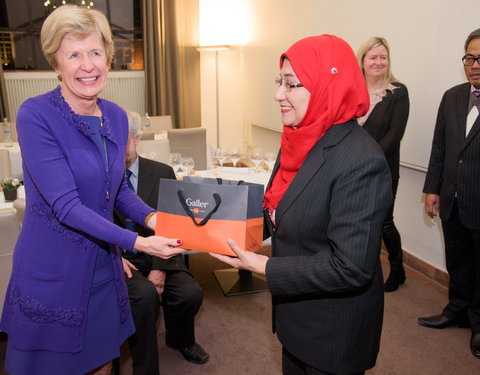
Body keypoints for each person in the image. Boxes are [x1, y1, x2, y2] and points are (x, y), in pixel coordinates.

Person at [0, 6, 185, 375]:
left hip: (103, 265)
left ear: (108, 58)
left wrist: (153, 218)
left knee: (102, 364)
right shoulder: (35, 115)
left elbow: (114, 191)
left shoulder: (116, 116)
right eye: (74, 54)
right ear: (56, 63)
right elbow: (66, 207)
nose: (88, 65)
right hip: (53, 269)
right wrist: (140, 243)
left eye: (95, 52)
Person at [211, 35, 391, 375]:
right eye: (280, 82)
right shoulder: (298, 137)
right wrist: (210, 227)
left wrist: (262, 267)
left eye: (291, 84)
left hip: (332, 333)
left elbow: (350, 268)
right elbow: (277, 211)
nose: (279, 93)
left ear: (327, 86)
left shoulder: (361, 161)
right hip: (294, 319)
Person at [115, 110, 208, 374]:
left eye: (122, 142)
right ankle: (140, 358)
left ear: (136, 139)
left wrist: (158, 268)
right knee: (144, 298)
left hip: (162, 253)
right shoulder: (101, 176)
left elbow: (173, 226)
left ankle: (180, 339)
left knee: (190, 293)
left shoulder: (162, 171)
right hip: (121, 258)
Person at [419, 28, 480, 359]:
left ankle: (479, 324)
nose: (475, 64)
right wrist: (432, 188)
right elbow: (440, 146)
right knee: (457, 259)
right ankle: (456, 309)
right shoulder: (452, 96)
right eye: (470, 57)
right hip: (452, 198)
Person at [356, 37, 410, 292]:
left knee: (384, 221)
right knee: (358, 219)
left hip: (383, 169)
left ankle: (398, 269)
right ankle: (364, 269)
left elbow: (394, 135)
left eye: (383, 57)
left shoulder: (398, 92)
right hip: (352, 170)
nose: (378, 62)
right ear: (363, 61)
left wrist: (367, 160)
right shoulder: (352, 90)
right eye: (373, 57)